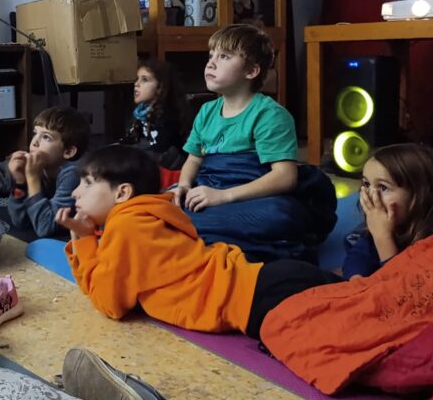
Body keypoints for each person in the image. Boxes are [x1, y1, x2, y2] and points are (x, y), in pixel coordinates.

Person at [58, 145, 340, 339]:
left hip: (254, 297)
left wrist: (85, 240)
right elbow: (105, 286)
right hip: (259, 281)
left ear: (122, 193)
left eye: (87, 183)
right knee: (352, 297)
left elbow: (110, 304)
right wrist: (85, 238)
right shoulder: (143, 215)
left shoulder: (126, 226)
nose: (75, 193)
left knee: (355, 314)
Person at [174, 24, 335, 262]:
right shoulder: (206, 111)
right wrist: (184, 186)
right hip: (210, 190)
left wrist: (223, 196)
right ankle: (201, 230)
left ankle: (192, 232)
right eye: (211, 56)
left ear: (251, 71)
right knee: (151, 205)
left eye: (224, 56)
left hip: (248, 198)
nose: (211, 64)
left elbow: (285, 177)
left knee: (279, 216)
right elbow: (194, 159)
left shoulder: (270, 114)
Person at [342, 143, 433, 279]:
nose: (371, 195)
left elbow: (402, 284)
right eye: (366, 184)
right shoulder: (373, 229)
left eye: (383, 187)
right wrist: (356, 278)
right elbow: (357, 258)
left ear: (419, 196)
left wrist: (383, 237)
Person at [6, 106, 91, 238]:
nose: (34, 142)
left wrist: (32, 178)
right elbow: (20, 221)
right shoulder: (41, 168)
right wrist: (20, 182)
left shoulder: (73, 173)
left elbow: (45, 227)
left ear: (68, 152)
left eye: (46, 137)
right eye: (35, 133)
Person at [118, 58, 186, 169]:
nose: (136, 84)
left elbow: (161, 150)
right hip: (149, 158)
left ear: (160, 87)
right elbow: (131, 139)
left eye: (144, 80)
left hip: (168, 166)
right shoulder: (140, 111)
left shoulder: (169, 114)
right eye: (137, 79)